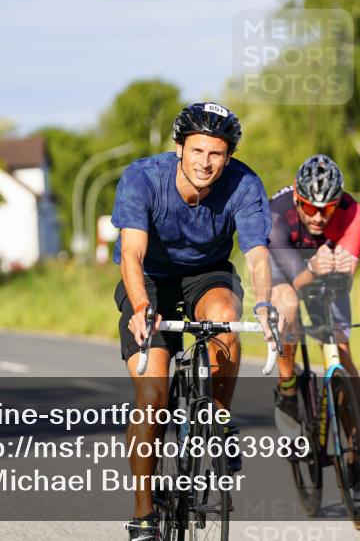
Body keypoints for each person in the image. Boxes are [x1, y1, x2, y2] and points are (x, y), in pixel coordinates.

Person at [112, 102, 283, 541]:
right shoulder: (142, 178)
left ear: (228, 156)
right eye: (198, 151)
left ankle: (218, 419)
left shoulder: (244, 184)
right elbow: (131, 253)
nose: (206, 163)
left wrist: (264, 303)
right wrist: (139, 307)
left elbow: (257, 252)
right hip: (148, 278)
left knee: (225, 318)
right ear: (179, 148)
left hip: (207, 274)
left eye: (217, 154)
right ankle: (144, 511)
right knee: (153, 394)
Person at [267, 154, 360, 427]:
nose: (319, 218)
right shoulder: (276, 214)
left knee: (341, 346)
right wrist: (311, 269)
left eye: (328, 209)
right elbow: (294, 278)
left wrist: (343, 270)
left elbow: (344, 282)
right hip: (284, 258)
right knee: (287, 307)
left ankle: (351, 437)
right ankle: (287, 384)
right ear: (298, 198)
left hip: (322, 265)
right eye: (310, 208)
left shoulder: (354, 214)